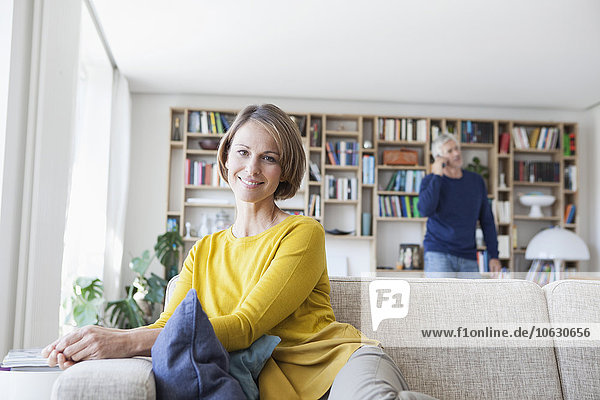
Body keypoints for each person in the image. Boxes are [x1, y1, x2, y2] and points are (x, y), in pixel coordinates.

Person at [43, 104, 411, 400]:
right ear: (227, 156)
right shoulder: (202, 250)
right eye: (244, 152)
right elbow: (167, 329)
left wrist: (119, 341)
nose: (252, 168)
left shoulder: (303, 233)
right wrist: (98, 341)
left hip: (338, 365)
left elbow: (245, 326)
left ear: (284, 171)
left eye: (269, 157)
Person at [418, 133, 501, 278]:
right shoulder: (430, 181)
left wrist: (494, 255)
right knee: (440, 300)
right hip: (439, 254)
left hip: (468, 256)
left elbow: (487, 220)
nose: (456, 153)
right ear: (439, 157)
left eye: (456, 148)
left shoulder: (476, 181)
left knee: (473, 300)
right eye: (449, 151)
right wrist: (437, 175)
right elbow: (425, 210)